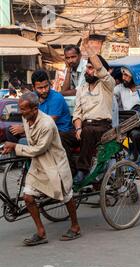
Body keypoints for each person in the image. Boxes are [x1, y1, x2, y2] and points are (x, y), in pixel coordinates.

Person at [1, 92, 81, 246]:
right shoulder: (26, 118)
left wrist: (15, 147)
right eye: (20, 108)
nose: (21, 112)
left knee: (66, 196)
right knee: (28, 197)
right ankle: (41, 232)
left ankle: (75, 226)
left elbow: (38, 149)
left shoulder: (47, 124)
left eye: (24, 109)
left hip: (54, 164)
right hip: (38, 165)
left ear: (35, 109)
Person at [61, 40, 115, 184]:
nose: (88, 70)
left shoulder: (107, 85)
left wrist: (89, 50)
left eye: (91, 68)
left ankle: (82, 170)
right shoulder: (82, 89)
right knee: (61, 136)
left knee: (89, 131)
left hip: (102, 127)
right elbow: (77, 113)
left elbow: (100, 69)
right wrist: (78, 127)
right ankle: (71, 172)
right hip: (84, 127)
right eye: (87, 68)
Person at [6, 70, 73, 148]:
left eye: (46, 86)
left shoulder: (56, 97)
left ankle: (28, 152)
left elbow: (49, 122)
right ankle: (24, 156)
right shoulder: (32, 97)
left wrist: (24, 129)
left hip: (58, 131)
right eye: (40, 88)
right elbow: (28, 115)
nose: (44, 90)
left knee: (22, 142)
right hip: (38, 130)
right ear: (33, 87)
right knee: (10, 130)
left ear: (49, 84)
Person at [113, 67, 140, 161]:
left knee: (136, 134)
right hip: (126, 123)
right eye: (122, 75)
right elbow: (111, 95)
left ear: (134, 76)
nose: (123, 77)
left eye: (126, 75)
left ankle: (136, 157)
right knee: (113, 135)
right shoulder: (120, 88)